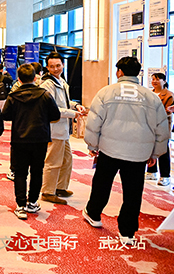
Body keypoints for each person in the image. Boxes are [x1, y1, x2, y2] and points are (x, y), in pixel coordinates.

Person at [83, 57, 169, 245]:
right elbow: (162, 129)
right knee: (133, 192)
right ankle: (127, 232)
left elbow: (94, 122)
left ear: (119, 72)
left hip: (109, 150)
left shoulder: (106, 92)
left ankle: (94, 214)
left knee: (102, 184)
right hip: (138, 153)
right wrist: (155, 153)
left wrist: (92, 145)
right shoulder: (151, 97)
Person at [1, 64, 61, 220]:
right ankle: (32, 202)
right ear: (35, 78)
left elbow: (5, 115)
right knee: (37, 171)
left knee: (20, 173)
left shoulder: (13, 96)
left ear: (19, 79)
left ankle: (20, 206)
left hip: (19, 139)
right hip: (40, 139)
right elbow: (56, 115)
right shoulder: (45, 95)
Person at [39, 52, 88, 205]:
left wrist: (76, 106)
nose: (55, 69)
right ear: (47, 67)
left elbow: (65, 102)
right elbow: (51, 108)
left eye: (58, 65)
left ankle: (60, 187)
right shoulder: (47, 84)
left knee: (67, 159)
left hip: (63, 129)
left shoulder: (61, 81)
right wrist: (73, 114)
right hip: (54, 129)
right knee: (53, 161)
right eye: (52, 66)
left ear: (63, 65)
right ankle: (48, 191)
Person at [146, 72, 172, 186]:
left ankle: (165, 176)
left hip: (163, 125)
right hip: (150, 124)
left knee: (163, 150)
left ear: (164, 81)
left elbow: (167, 111)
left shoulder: (169, 95)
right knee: (151, 147)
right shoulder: (150, 94)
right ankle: (152, 171)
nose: (154, 81)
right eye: (153, 79)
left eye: (157, 79)